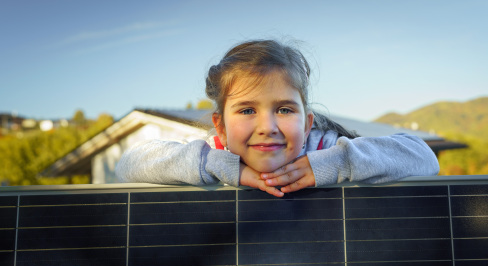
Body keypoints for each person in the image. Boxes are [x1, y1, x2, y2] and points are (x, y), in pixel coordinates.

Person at [116, 39, 439, 197]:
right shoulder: (214, 152)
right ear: (221, 127)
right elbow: (127, 164)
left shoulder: (325, 147)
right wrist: (219, 166)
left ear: (307, 122)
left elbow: (424, 157)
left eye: (284, 109)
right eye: (246, 110)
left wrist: (333, 164)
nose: (267, 127)